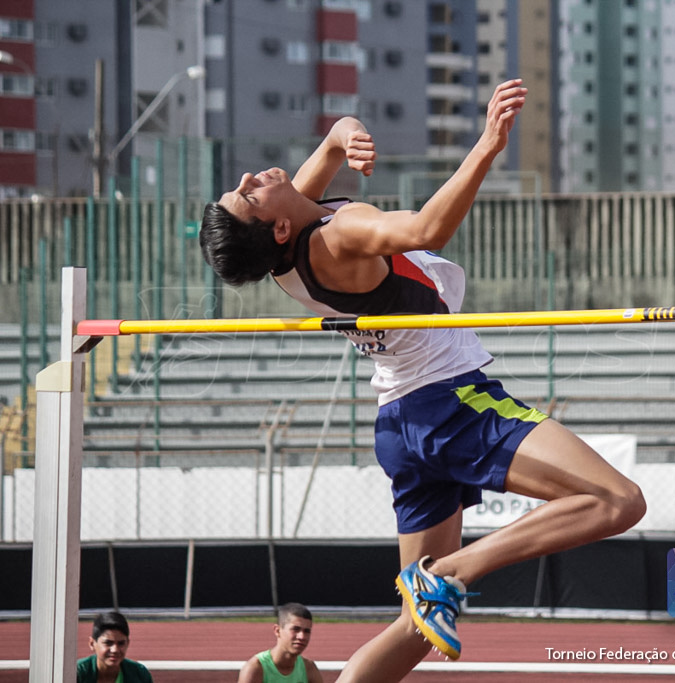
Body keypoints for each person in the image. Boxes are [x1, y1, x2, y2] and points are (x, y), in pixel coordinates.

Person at [199, 78, 646, 683]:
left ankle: (436, 586)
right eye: (248, 196)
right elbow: (428, 230)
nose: (252, 179)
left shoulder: (289, 244)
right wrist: (488, 143)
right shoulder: (338, 234)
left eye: (242, 184)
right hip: (450, 404)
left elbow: (331, 142)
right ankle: (455, 573)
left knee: (414, 625)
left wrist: (347, 134)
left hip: (402, 423)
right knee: (617, 500)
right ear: (275, 228)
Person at [238, 603, 323, 683]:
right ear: (277, 630)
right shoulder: (256, 669)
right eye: (295, 629)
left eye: (307, 631)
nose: (302, 636)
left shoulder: (308, 668)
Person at [76, 611, 153, 683]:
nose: (115, 650)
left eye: (121, 643)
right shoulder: (77, 673)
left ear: (128, 643)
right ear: (92, 643)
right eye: (108, 643)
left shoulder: (139, 674)